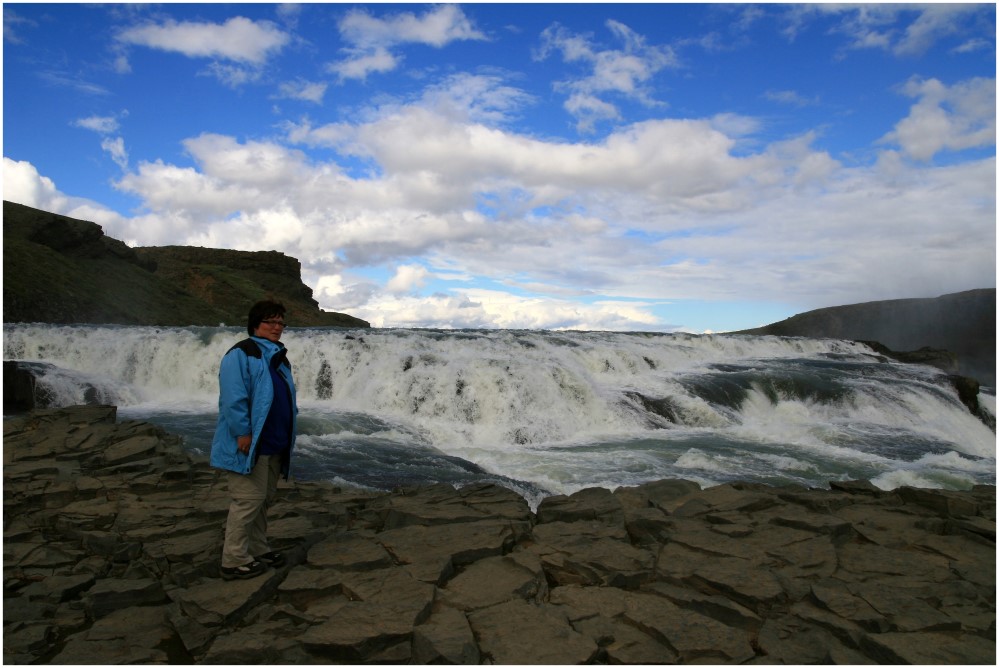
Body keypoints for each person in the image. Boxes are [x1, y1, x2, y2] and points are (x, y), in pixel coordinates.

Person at [210, 300, 298, 580]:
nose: (277, 327)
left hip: (273, 442)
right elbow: (233, 398)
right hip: (250, 442)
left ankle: (258, 547)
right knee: (248, 499)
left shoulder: (277, 357)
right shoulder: (241, 353)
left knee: (264, 500)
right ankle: (233, 559)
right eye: (271, 322)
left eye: (281, 322)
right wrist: (242, 433)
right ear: (255, 324)